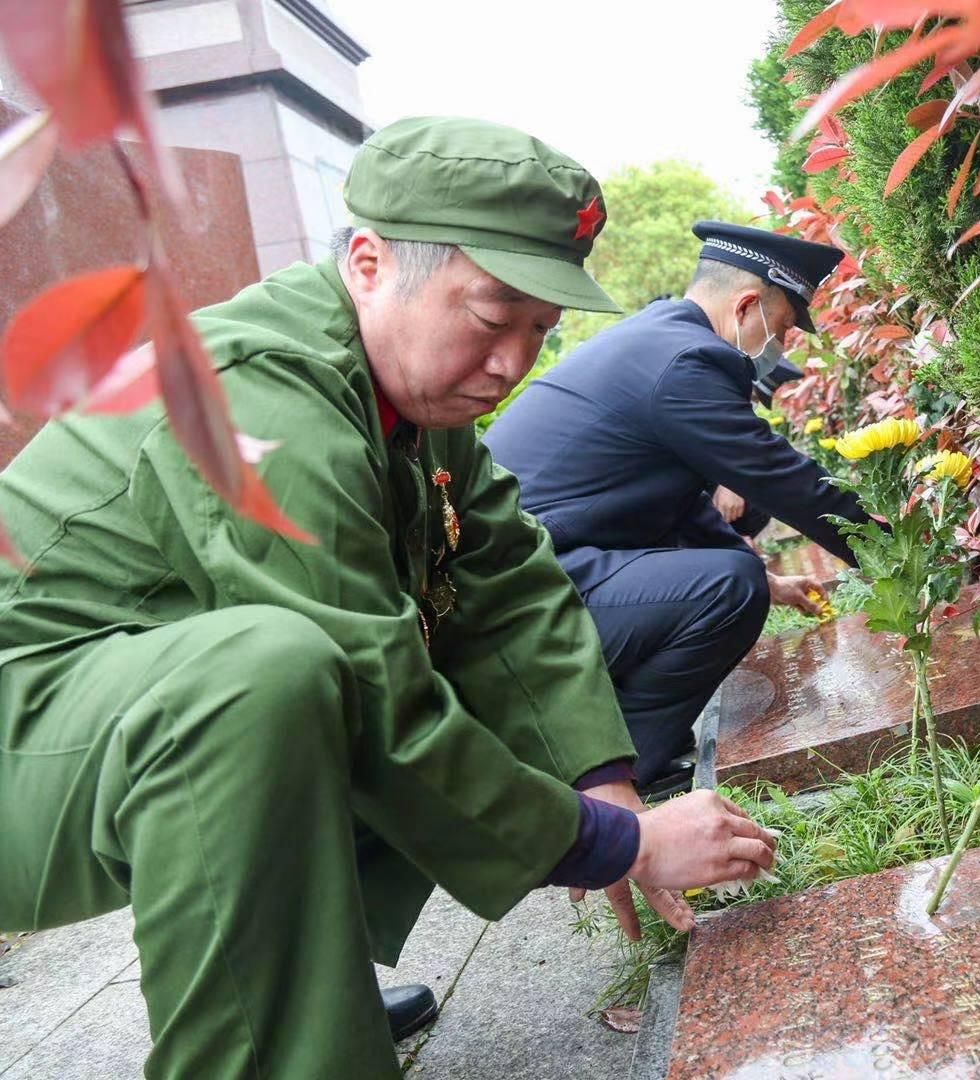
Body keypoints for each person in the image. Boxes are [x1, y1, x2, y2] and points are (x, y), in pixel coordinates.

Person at [0, 117, 775, 1079]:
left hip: (107, 719)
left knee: (379, 640)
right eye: (491, 319)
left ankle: (319, 985)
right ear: (368, 263)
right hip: (21, 743)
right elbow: (371, 688)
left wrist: (597, 776)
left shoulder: (409, 394)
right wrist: (612, 845)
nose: (510, 365)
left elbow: (511, 583)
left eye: (539, 331)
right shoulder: (262, 392)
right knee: (271, 677)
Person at [483, 222, 869, 792]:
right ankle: (602, 780)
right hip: (518, 602)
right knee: (728, 588)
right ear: (745, 307)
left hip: (526, 579)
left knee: (740, 575)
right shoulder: (687, 360)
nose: (779, 347)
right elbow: (782, 477)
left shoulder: (660, 340)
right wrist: (890, 546)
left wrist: (768, 574)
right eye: (782, 327)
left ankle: (607, 750)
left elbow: (681, 500)